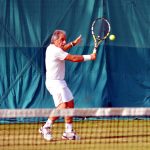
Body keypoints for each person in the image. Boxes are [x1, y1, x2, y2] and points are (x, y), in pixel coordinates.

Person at [39, 30, 96, 141]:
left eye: (65, 39)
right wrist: (90, 57)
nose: (64, 41)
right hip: (54, 83)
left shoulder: (52, 48)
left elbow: (62, 49)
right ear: (55, 40)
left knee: (70, 103)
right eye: (62, 40)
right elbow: (73, 58)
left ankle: (68, 132)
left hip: (60, 82)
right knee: (64, 106)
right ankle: (46, 127)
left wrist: (73, 43)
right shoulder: (55, 51)